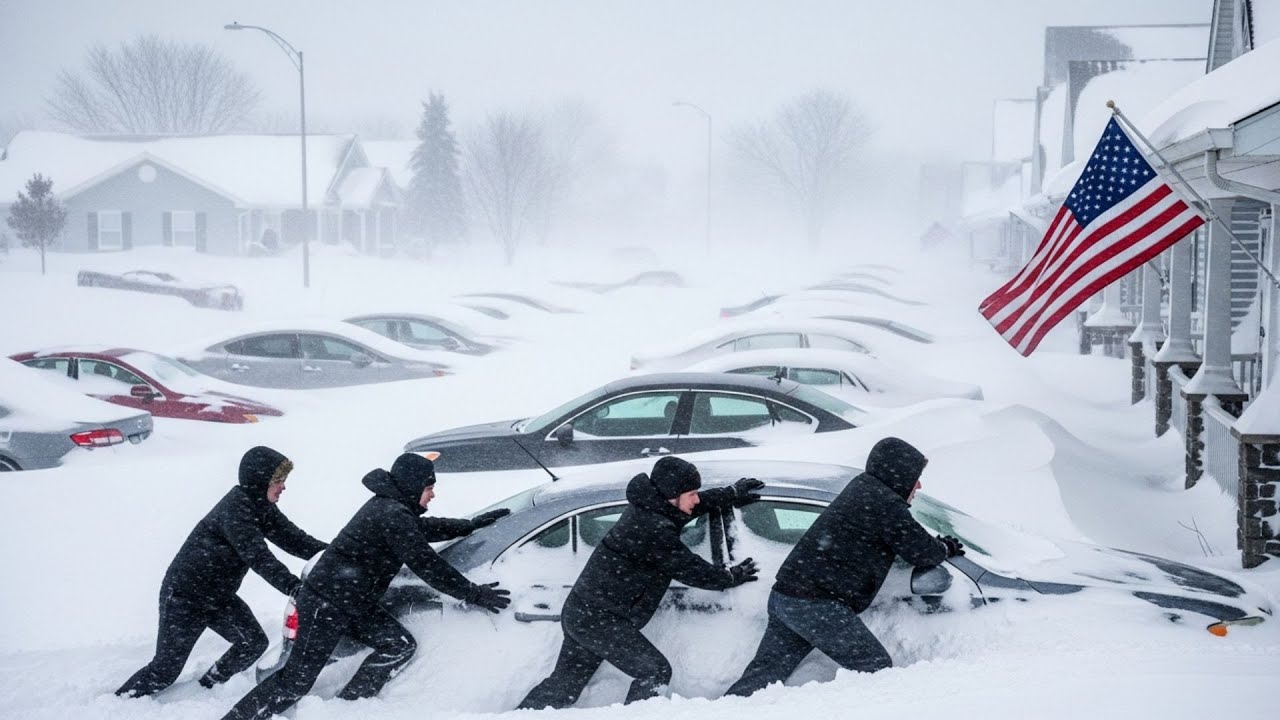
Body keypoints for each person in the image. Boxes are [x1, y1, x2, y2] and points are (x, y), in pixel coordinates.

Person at [222, 452, 511, 720]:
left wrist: (468, 525)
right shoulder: (392, 513)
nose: (433, 494)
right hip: (327, 602)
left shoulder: (395, 509)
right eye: (428, 487)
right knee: (296, 680)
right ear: (412, 486)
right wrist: (474, 593)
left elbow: (424, 528)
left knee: (398, 645)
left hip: (353, 603)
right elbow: (427, 565)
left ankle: (348, 707)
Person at [724, 436, 965, 697]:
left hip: (788, 596)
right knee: (875, 668)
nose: (919, 484)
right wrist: (943, 548)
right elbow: (922, 552)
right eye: (915, 476)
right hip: (814, 605)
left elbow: (903, 538)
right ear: (899, 474)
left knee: (764, 677)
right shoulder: (884, 503)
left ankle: (724, 711)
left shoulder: (864, 487)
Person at [518, 456, 764, 709]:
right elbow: (689, 569)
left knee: (563, 687)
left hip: (586, 613)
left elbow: (691, 508)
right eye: (691, 493)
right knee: (654, 672)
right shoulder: (653, 528)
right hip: (599, 620)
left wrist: (729, 494)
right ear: (672, 494)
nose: (696, 499)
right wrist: (730, 577)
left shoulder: (654, 507)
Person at [116, 446, 327, 697]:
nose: (283, 487)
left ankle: (206, 689)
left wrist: (339, 554)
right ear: (260, 481)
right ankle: (114, 704)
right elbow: (259, 557)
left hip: (218, 596)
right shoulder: (235, 510)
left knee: (252, 643)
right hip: (185, 597)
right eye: (279, 480)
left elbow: (295, 540)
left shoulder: (260, 506)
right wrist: (294, 587)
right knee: (164, 670)